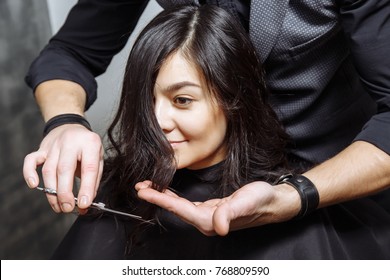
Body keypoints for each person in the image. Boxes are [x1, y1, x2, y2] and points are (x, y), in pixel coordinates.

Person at [24, 1, 390, 243]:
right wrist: (65, 121)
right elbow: (69, 52)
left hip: (324, 176)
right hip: (191, 178)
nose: (157, 121)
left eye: (181, 99)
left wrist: (294, 195)